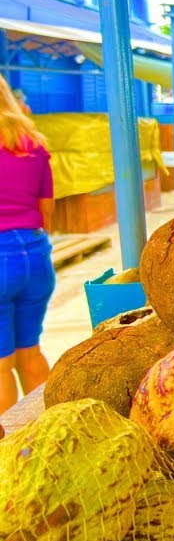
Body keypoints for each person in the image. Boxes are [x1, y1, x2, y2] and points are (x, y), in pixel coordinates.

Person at [0, 76, 54, 413]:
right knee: (29, 352)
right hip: (35, 254)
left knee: (1, 366)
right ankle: (51, 430)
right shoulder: (33, 143)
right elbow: (46, 210)